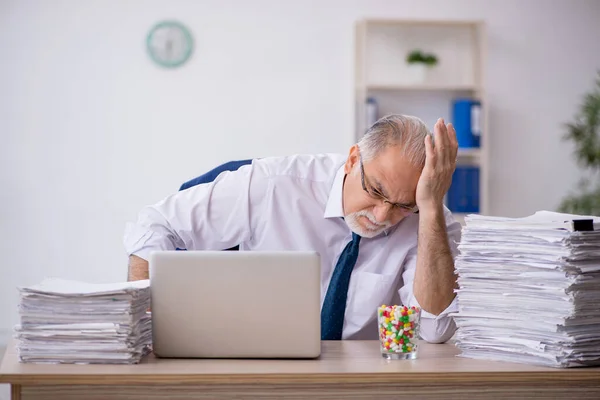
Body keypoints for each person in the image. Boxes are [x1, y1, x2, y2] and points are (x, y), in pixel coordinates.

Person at [124, 114, 461, 343]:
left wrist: (428, 209)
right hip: (255, 368)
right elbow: (157, 224)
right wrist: (145, 328)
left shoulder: (431, 220)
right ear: (354, 158)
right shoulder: (274, 185)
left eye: (403, 205)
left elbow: (435, 329)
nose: (383, 214)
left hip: (359, 383)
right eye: (375, 191)